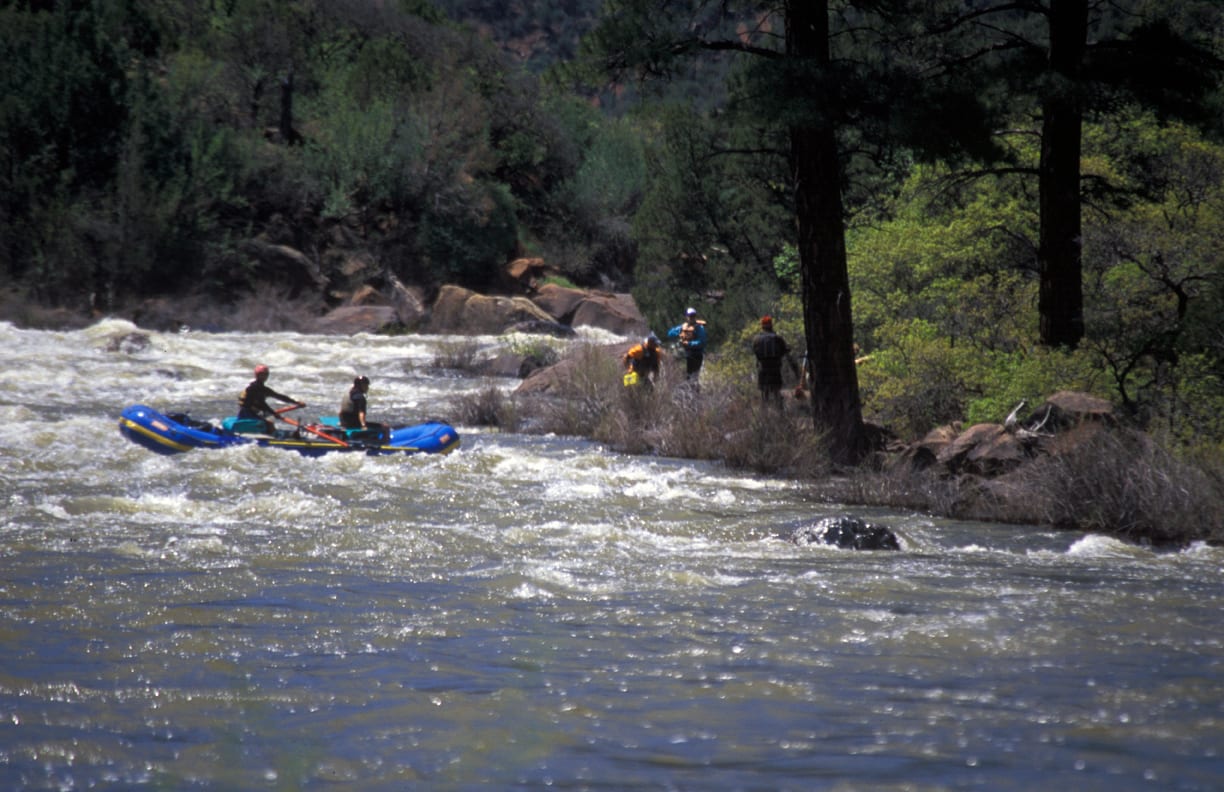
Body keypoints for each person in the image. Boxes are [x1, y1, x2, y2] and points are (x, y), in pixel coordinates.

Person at [238, 364, 305, 432]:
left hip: (254, 411)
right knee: (270, 419)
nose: (263, 377)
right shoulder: (253, 388)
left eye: (265, 374)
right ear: (257, 375)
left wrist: (296, 402)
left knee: (270, 415)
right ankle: (272, 434)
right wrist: (274, 414)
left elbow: (279, 396)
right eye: (261, 374)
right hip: (247, 412)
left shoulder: (263, 388)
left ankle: (269, 430)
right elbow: (262, 404)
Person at [752, 316, 800, 406]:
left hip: (763, 369)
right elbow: (786, 351)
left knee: (764, 394)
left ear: (762, 326)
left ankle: (764, 414)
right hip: (775, 369)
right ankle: (780, 413)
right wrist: (796, 372)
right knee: (776, 391)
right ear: (771, 325)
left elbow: (755, 352)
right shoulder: (778, 338)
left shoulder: (756, 339)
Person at [666, 307, 708, 381]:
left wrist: (689, 343)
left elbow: (702, 342)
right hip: (687, 354)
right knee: (687, 375)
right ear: (686, 317)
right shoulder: (682, 327)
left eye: (693, 315)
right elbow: (670, 333)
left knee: (694, 376)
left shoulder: (699, 328)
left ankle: (694, 390)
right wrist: (680, 334)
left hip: (696, 354)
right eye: (690, 316)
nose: (691, 317)